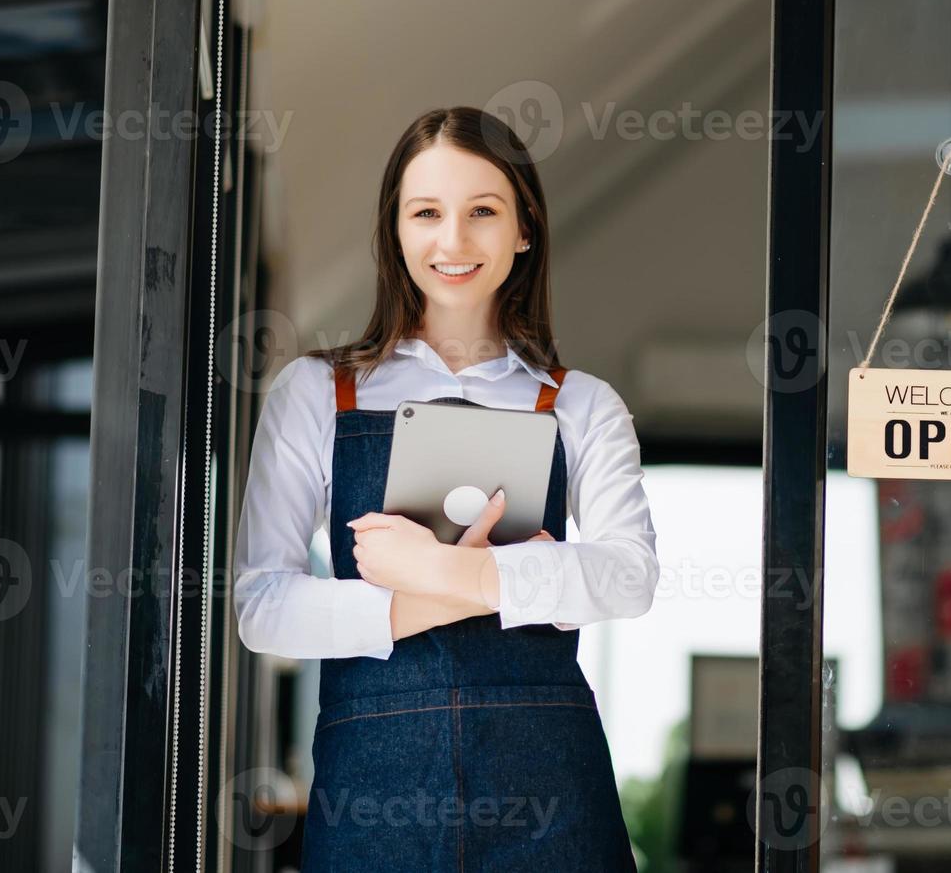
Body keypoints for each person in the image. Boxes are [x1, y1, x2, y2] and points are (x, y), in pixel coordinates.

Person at [232, 106, 657, 869]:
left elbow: (628, 578)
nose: (453, 241)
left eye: (483, 213)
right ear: (395, 229)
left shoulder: (581, 404)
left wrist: (450, 569)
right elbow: (262, 609)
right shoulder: (316, 393)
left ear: (524, 230)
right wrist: (448, 594)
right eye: (426, 212)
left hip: (550, 792)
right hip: (373, 792)